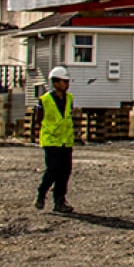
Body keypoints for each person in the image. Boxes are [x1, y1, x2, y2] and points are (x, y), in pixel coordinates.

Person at [34, 66, 76, 213]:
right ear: (55, 82)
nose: (67, 84)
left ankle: (59, 201)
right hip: (51, 141)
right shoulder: (44, 100)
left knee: (65, 172)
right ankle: (42, 193)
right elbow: (38, 119)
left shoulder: (69, 99)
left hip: (66, 141)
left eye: (67, 81)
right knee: (52, 170)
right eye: (64, 81)